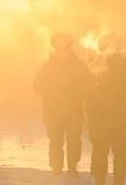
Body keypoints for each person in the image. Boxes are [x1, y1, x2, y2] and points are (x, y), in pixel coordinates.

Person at [34, 33, 91, 175]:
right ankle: (56, 168)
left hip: (73, 111)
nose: (61, 47)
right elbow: (37, 86)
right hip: (53, 111)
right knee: (55, 141)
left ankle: (72, 167)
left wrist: (74, 92)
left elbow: (88, 85)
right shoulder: (47, 66)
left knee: (74, 141)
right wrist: (52, 89)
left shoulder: (79, 66)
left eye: (64, 43)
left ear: (69, 45)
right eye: (58, 44)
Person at [87, 42, 126, 185]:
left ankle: (103, 184)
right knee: (117, 154)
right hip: (116, 124)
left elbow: (91, 104)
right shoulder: (120, 80)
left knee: (103, 153)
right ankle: (115, 184)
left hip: (109, 124)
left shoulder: (100, 77)